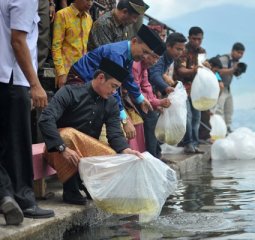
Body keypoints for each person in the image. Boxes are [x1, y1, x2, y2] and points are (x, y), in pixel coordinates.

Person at [38, 58, 143, 205]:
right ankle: (71, 190)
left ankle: (88, 185)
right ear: (100, 78)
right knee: (67, 135)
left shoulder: (111, 102)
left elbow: (114, 134)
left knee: (116, 158)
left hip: (86, 153)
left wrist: (126, 151)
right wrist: (62, 148)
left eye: (116, 88)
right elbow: (45, 119)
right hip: (58, 149)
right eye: (113, 86)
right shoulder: (69, 92)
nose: (114, 92)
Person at [0, 0, 54, 225]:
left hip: (7, 75)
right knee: (19, 142)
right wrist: (35, 84)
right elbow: (19, 41)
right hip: (14, 77)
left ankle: (6, 194)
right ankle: (23, 199)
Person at [66, 24, 164, 141]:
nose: (145, 57)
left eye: (148, 53)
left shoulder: (128, 54)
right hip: (80, 79)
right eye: (144, 51)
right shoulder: (117, 54)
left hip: (97, 85)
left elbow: (127, 77)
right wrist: (124, 118)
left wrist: (140, 98)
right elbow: (112, 90)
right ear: (134, 41)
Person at [147, 32, 187, 158]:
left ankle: (157, 154)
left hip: (151, 92)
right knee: (152, 121)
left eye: (182, 49)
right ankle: (153, 156)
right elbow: (154, 75)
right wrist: (166, 88)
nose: (180, 52)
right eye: (177, 49)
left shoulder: (169, 58)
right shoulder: (161, 55)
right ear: (168, 46)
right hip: (144, 92)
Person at [132, 48, 171, 157]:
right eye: (154, 57)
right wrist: (157, 102)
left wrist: (156, 103)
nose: (155, 61)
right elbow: (135, 91)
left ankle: (156, 153)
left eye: (157, 59)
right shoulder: (135, 65)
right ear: (145, 53)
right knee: (151, 116)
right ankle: (152, 156)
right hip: (129, 98)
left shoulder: (144, 67)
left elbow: (146, 86)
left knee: (156, 113)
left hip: (139, 97)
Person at [173, 26, 206, 154]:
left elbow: (203, 68)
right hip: (183, 88)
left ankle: (195, 143)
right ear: (189, 38)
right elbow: (180, 70)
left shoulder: (202, 51)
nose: (197, 42)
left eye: (199, 39)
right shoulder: (184, 51)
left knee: (197, 117)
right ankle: (188, 143)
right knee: (187, 117)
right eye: (194, 39)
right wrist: (194, 70)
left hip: (197, 89)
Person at [52, 0, 93, 88]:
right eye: (87, 0)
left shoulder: (89, 18)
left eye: (92, 0)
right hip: (67, 72)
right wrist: (61, 73)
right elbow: (56, 46)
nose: (90, 3)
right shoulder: (62, 14)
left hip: (84, 73)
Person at [216, 42, 246, 133]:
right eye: (238, 53)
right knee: (219, 109)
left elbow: (233, 73)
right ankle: (218, 129)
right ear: (233, 51)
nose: (240, 55)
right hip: (220, 87)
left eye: (242, 54)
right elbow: (217, 71)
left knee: (229, 109)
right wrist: (233, 70)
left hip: (228, 88)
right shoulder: (225, 59)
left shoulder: (236, 62)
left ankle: (227, 128)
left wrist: (238, 72)